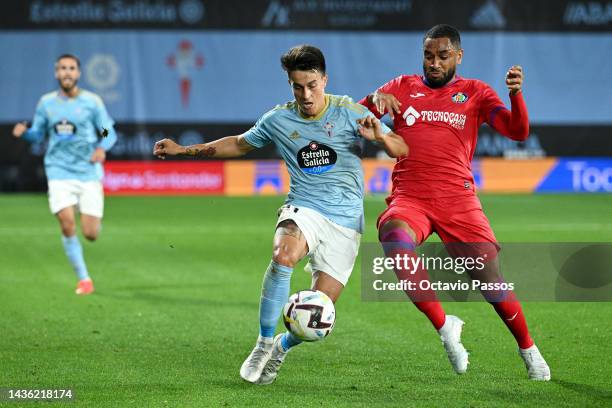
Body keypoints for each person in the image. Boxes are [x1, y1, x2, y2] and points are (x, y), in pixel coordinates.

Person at [153, 45, 407, 385]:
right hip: (304, 207)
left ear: (324, 80)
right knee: (283, 254)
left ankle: (281, 348)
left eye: (312, 85)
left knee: (318, 313)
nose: (305, 94)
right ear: (289, 84)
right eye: (297, 86)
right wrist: (184, 150)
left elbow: (401, 148)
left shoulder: (351, 112)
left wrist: (380, 137)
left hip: (346, 222)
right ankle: (262, 343)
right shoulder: (279, 120)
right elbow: (240, 144)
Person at [359, 24, 551, 380]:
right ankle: (446, 326)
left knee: (491, 282)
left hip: (458, 201)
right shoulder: (400, 87)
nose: (434, 63)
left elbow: (518, 132)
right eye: (428, 56)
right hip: (409, 198)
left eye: (443, 56)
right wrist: (371, 102)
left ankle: (528, 348)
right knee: (393, 239)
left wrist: (516, 96)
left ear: (458, 57)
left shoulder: (475, 93)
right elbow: (354, 119)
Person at [12, 54, 117, 295]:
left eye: (71, 68)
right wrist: (26, 132)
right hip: (59, 172)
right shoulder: (47, 104)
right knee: (67, 223)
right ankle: (84, 279)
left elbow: (106, 129)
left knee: (90, 234)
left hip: (88, 173)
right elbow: (38, 134)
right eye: (62, 68)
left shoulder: (92, 102)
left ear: (78, 73)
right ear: (56, 73)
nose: (67, 72)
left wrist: (101, 147)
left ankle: (87, 217)